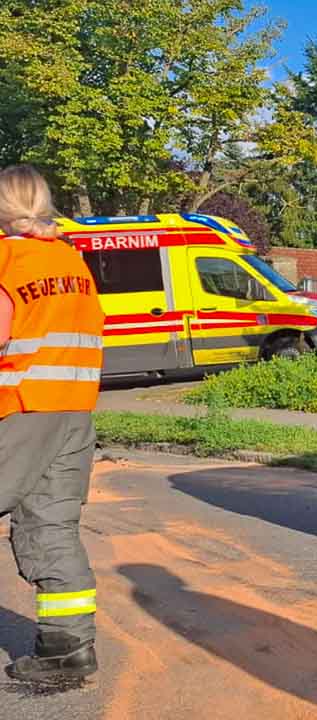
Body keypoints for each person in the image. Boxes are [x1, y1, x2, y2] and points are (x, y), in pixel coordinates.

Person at [0, 165, 105, 682]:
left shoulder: (7, 259)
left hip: (20, 408)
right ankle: (66, 649)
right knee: (52, 525)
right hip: (73, 412)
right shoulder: (73, 262)